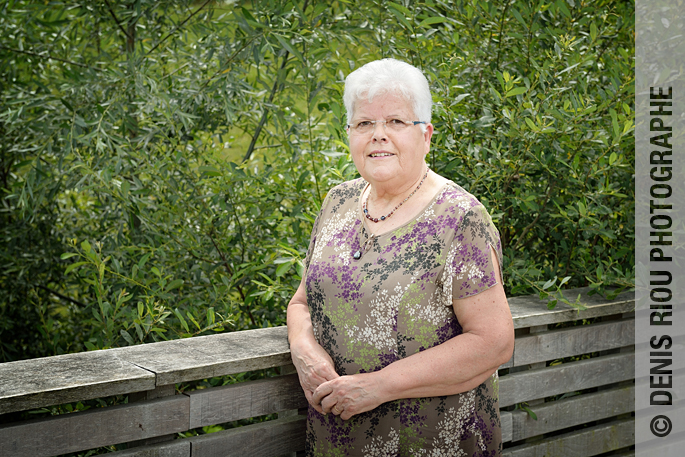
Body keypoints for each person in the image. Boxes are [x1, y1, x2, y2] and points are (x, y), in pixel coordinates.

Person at [287, 58, 514, 456]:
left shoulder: (460, 218)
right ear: (349, 135)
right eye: (363, 124)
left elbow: (493, 343)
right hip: (337, 441)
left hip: (432, 443)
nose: (378, 135)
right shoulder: (337, 202)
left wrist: (377, 386)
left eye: (395, 122)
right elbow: (302, 302)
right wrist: (303, 349)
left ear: (425, 135)